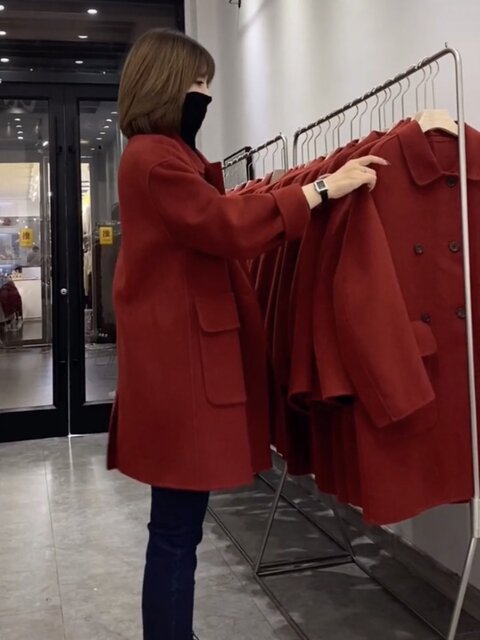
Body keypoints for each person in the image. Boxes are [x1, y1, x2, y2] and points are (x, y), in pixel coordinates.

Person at [107, 28, 387, 640]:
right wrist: (320, 187)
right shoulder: (153, 158)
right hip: (179, 371)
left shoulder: (161, 156)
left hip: (177, 365)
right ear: (166, 86)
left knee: (178, 525)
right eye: (198, 83)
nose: (206, 96)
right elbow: (224, 224)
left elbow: (217, 218)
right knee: (176, 529)